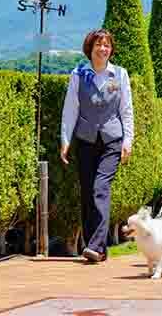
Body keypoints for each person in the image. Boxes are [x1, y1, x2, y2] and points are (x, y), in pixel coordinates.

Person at [60, 28, 134, 263]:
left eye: (107, 45)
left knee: (100, 188)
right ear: (90, 49)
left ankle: (95, 245)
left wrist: (128, 141)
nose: (103, 49)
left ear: (111, 49)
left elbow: (126, 110)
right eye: (98, 45)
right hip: (85, 140)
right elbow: (70, 109)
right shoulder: (78, 74)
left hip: (112, 139)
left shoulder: (120, 74)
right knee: (87, 194)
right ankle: (97, 248)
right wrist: (65, 140)